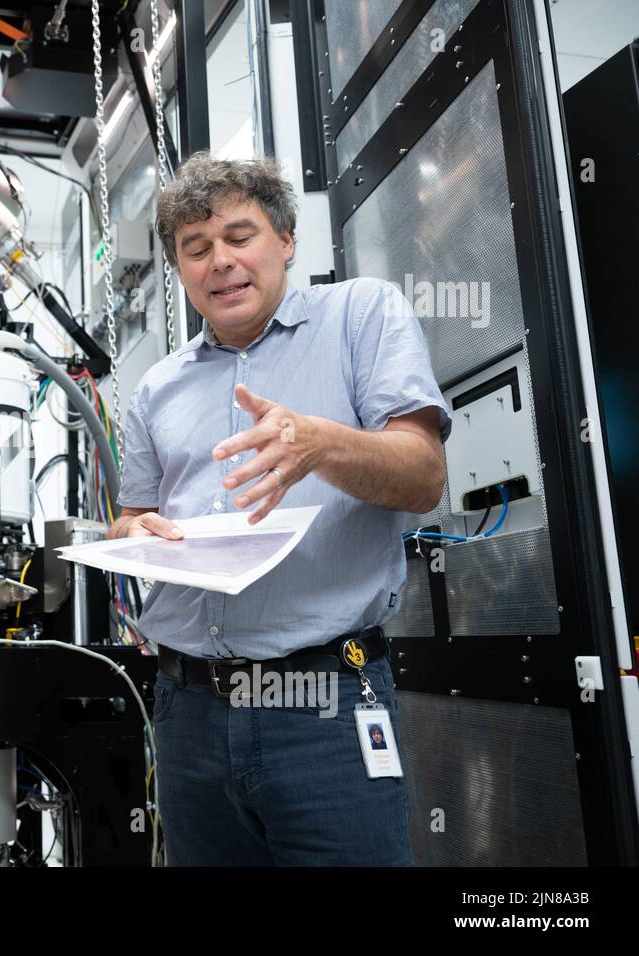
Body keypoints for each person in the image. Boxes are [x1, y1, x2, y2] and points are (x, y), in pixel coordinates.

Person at [108, 152, 451, 865]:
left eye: (240, 236)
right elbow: (129, 516)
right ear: (180, 269)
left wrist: (320, 445)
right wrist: (135, 531)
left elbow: (424, 476)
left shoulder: (362, 316)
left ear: (286, 239)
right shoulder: (156, 390)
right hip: (188, 711)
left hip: (323, 704)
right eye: (196, 249)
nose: (220, 261)